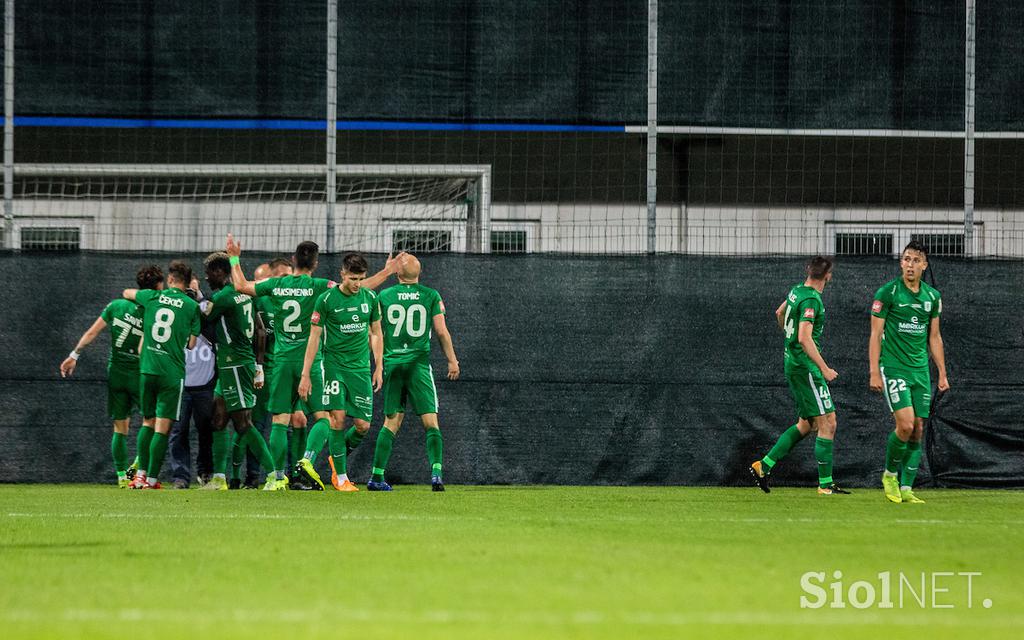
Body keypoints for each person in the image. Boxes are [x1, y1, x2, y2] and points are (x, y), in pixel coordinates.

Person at [225, 234, 401, 490]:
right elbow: (358, 289)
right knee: (323, 417)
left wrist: (234, 257)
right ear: (316, 264)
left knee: (280, 421)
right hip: (311, 359)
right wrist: (386, 272)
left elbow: (240, 285)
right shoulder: (321, 286)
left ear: (294, 260)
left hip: (282, 360)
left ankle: (276, 478)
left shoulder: (276, 284)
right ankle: (307, 461)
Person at [750, 256, 849, 495]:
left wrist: (788, 340)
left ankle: (763, 466)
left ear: (808, 271)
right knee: (829, 422)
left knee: (807, 424)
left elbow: (779, 312)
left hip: (793, 364)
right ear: (828, 275)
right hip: (805, 369)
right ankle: (825, 485)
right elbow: (804, 337)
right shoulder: (812, 300)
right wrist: (824, 368)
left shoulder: (796, 291)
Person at [60, 265, 163, 487]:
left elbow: (91, 332)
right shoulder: (153, 310)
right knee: (151, 423)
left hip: (115, 372)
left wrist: (74, 355)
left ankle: (121, 476)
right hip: (139, 374)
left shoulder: (115, 306)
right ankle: (135, 472)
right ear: (157, 286)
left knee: (120, 427)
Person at [367, 254, 460, 492]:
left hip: (392, 364)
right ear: (419, 273)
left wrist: (379, 363)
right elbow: (441, 331)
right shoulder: (431, 295)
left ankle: (377, 477)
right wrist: (452, 360)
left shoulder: (383, 296)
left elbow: (375, 333)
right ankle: (437, 473)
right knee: (431, 422)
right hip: (418, 365)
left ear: (398, 274)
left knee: (391, 422)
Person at [295, 253, 383, 492]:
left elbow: (376, 332)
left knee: (363, 425)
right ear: (342, 274)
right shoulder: (326, 300)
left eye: (361, 278)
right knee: (337, 418)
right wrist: (305, 374)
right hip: (334, 367)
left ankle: (337, 456)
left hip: (361, 369)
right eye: (353, 278)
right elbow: (313, 338)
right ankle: (342, 477)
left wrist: (379, 365)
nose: (357, 283)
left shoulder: (370, 298)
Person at [870, 241, 949, 504]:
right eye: (906, 259)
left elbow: (934, 337)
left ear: (924, 265)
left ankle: (906, 488)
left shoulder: (932, 297)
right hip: (893, 368)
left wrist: (942, 373)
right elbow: (875, 334)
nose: (910, 265)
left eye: (916, 260)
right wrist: (874, 372)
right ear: (901, 263)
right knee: (904, 424)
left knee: (917, 429)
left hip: (920, 372)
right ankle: (890, 475)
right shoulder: (888, 293)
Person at [202, 252, 279, 490]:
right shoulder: (246, 294)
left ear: (220, 272)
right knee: (217, 419)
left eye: (209, 273)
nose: (207, 278)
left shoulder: (224, 296)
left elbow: (204, 319)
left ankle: (275, 476)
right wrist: (258, 366)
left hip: (234, 363)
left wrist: (192, 301)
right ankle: (219, 478)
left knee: (243, 423)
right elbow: (261, 330)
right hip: (233, 363)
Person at [124, 260, 201, 489]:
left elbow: (127, 292)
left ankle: (139, 477)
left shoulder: (151, 298)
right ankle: (152, 480)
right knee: (163, 427)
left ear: (169, 280)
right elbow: (191, 344)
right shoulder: (191, 306)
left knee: (147, 422)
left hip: (147, 369)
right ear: (187, 283)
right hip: (171, 373)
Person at [166, 277, 218, 489]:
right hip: (181, 382)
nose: (189, 292)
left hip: (205, 383)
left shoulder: (209, 308)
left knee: (206, 430)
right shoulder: (173, 310)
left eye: (193, 289)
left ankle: (205, 471)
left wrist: (198, 304)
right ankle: (181, 476)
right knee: (179, 431)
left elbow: (215, 334)